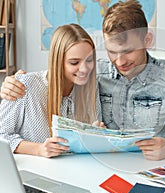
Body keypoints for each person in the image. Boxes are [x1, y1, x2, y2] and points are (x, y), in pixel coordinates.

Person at [0, 0, 165, 160]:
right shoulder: (94, 74)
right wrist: (15, 83)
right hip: (98, 168)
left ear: (147, 39)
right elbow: (62, 73)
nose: (119, 61)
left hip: (150, 168)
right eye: (111, 51)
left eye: (128, 51)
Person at [0, 24, 100, 158]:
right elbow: (2, 135)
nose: (84, 69)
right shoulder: (25, 85)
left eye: (89, 60)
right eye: (74, 63)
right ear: (58, 61)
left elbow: (90, 137)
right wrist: (39, 149)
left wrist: (97, 136)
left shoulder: (92, 87)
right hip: (33, 172)